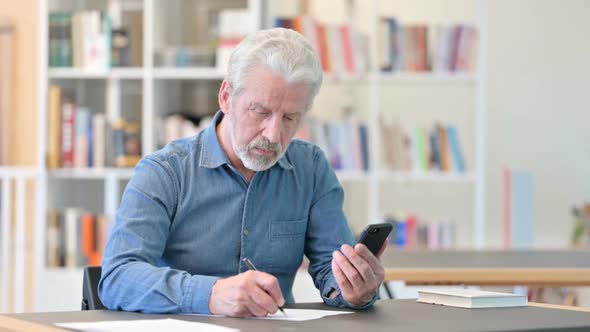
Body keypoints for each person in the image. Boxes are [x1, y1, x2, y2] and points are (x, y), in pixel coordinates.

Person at [98, 28, 386, 317]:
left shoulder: (310, 169)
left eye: (289, 118)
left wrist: (354, 290)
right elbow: (117, 278)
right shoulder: (164, 172)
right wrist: (210, 295)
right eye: (260, 112)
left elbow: (331, 271)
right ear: (226, 97)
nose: (273, 135)